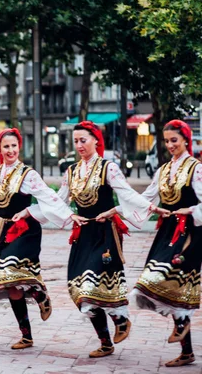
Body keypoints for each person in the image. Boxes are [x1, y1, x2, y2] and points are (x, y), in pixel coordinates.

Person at [57, 121, 164, 358]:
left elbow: (126, 194)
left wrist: (148, 208)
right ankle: (105, 341)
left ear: (96, 140)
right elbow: (58, 201)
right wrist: (69, 214)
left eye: (83, 140)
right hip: (82, 234)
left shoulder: (108, 168)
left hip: (104, 233)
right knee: (77, 288)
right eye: (75, 141)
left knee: (93, 284)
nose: (79, 145)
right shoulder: (71, 171)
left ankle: (120, 317)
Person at [0, 128, 81, 349]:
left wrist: (67, 214)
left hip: (25, 230)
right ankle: (26, 335)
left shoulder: (28, 174)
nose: (10, 150)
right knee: (11, 286)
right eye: (6, 146)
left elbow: (48, 198)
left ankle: (39, 293)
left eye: (14, 146)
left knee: (8, 270)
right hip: (3, 231)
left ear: (19, 147)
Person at [130, 120, 201, 367]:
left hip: (190, 232)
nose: (170, 145)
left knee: (164, 278)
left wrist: (189, 210)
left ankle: (183, 327)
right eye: (167, 141)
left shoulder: (195, 169)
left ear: (185, 140)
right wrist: (120, 210)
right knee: (166, 287)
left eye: (174, 140)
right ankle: (187, 351)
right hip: (167, 232)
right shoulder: (162, 170)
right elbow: (145, 198)